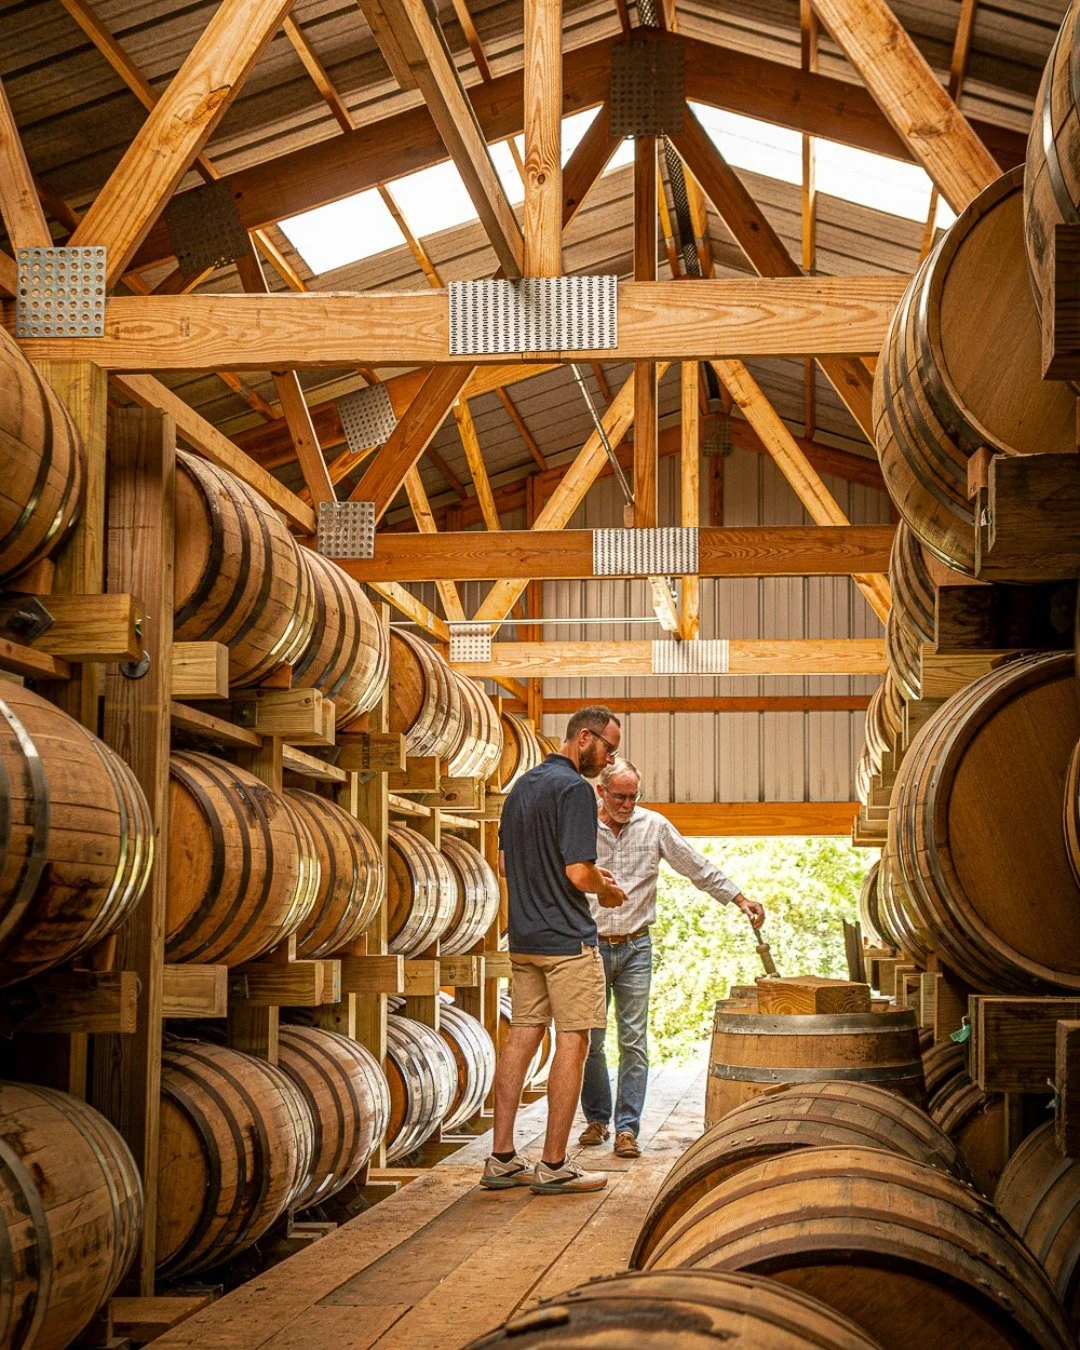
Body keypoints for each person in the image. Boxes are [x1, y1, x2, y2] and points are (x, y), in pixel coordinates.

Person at [579, 757, 765, 1158]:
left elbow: (696, 867)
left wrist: (739, 898)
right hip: (590, 946)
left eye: (634, 796)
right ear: (601, 791)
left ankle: (627, 1129)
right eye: (620, 797)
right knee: (590, 1039)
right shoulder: (581, 826)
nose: (628, 804)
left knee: (633, 1040)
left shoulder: (654, 825)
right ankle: (597, 1119)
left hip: (636, 947)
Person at [482, 706, 629, 1195]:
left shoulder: (521, 788)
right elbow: (577, 873)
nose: (610, 760)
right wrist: (606, 891)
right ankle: (554, 1164)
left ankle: (502, 1158)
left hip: (525, 939)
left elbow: (506, 865)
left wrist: (575, 876)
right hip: (568, 942)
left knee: (522, 1037)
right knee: (574, 1041)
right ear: (583, 738)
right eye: (608, 748)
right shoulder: (575, 790)